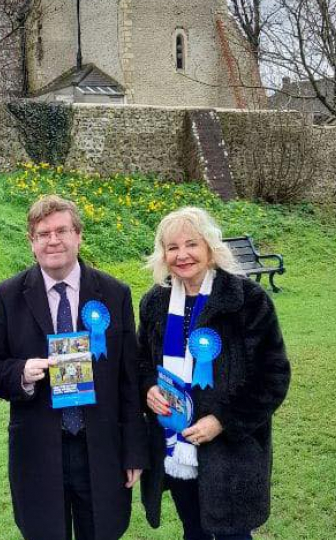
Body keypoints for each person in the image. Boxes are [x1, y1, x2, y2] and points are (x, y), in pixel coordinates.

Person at [0, 195, 148, 540]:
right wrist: (22, 373)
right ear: (31, 242)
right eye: (43, 234)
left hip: (101, 448)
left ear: (78, 236)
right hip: (38, 449)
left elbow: (129, 380)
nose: (53, 240)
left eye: (61, 231)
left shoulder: (114, 293)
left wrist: (134, 450)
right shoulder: (8, 295)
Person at [137, 207, 290, 540]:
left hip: (231, 451)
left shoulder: (247, 300)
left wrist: (223, 420)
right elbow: (142, 363)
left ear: (209, 247)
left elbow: (273, 375)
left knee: (234, 535)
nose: (182, 255)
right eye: (172, 247)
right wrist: (148, 387)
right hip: (175, 445)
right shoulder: (154, 303)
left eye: (191, 244)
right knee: (193, 531)